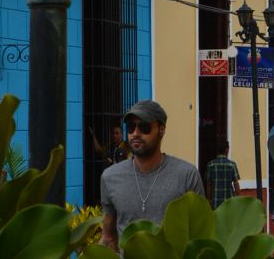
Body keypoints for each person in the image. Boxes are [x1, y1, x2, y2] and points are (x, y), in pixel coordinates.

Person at [100, 100, 204, 253]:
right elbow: (109, 237)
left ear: (161, 130)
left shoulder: (187, 175)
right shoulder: (110, 177)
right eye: (130, 127)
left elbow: (200, 236)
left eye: (144, 127)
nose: (135, 133)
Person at [205, 140, 240, 209]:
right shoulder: (232, 165)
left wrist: (209, 200)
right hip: (229, 202)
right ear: (226, 150)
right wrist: (239, 199)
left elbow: (208, 184)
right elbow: (236, 183)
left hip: (215, 202)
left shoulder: (210, 165)